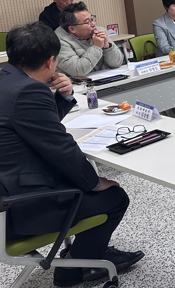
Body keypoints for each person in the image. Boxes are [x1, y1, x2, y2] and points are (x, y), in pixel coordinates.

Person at [0, 22, 143, 287]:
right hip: (19, 209)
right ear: (51, 61)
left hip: (7, 193)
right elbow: (60, 148)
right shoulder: (29, 90)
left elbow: (34, 126)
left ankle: (83, 255)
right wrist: (95, 183)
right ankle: (78, 267)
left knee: (86, 185)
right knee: (114, 197)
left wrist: (64, 96)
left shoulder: (7, 81)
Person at [56, 2, 124, 77]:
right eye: (87, 22)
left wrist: (107, 47)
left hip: (102, 78)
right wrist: (96, 47)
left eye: (92, 19)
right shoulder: (59, 42)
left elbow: (117, 63)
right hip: (76, 83)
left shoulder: (99, 31)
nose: (93, 24)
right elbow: (77, 71)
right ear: (72, 29)